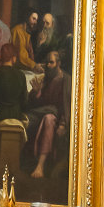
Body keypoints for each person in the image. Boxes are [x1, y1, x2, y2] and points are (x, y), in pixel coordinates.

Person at [25, 48, 70, 179]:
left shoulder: (66, 80)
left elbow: (67, 105)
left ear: (58, 63)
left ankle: (40, 166)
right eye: (47, 63)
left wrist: (63, 124)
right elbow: (37, 103)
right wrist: (36, 92)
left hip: (57, 119)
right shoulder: (46, 79)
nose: (48, 65)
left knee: (49, 119)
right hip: (41, 115)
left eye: (51, 62)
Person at [0, 43, 29, 124]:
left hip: (0, 116)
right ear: (13, 58)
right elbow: (24, 101)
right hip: (16, 116)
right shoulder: (21, 75)